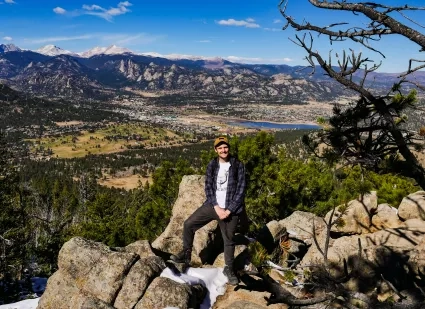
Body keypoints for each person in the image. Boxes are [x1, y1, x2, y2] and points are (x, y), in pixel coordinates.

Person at [170, 136, 247, 285]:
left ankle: (229, 269)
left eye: (225, 147)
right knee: (188, 224)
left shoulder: (238, 165)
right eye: (220, 148)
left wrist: (229, 210)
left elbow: (241, 190)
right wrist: (217, 207)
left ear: (228, 148)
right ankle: (186, 255)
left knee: (229, 240)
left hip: (231, 210)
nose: (223, 150)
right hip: (213, 206)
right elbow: (209, 187)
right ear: (216, 150)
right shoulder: (212, 164)